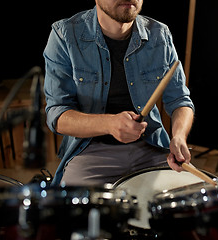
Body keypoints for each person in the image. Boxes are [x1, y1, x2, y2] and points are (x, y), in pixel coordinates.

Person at [43, 0, 194, 186]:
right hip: (91, 153)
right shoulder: (64, 34)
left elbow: (180, 100)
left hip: (151, 148)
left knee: (190, 201)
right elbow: (57, 115)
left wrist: (179, 136)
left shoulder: (160, 35)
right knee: (75, 211)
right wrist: (109, 124)